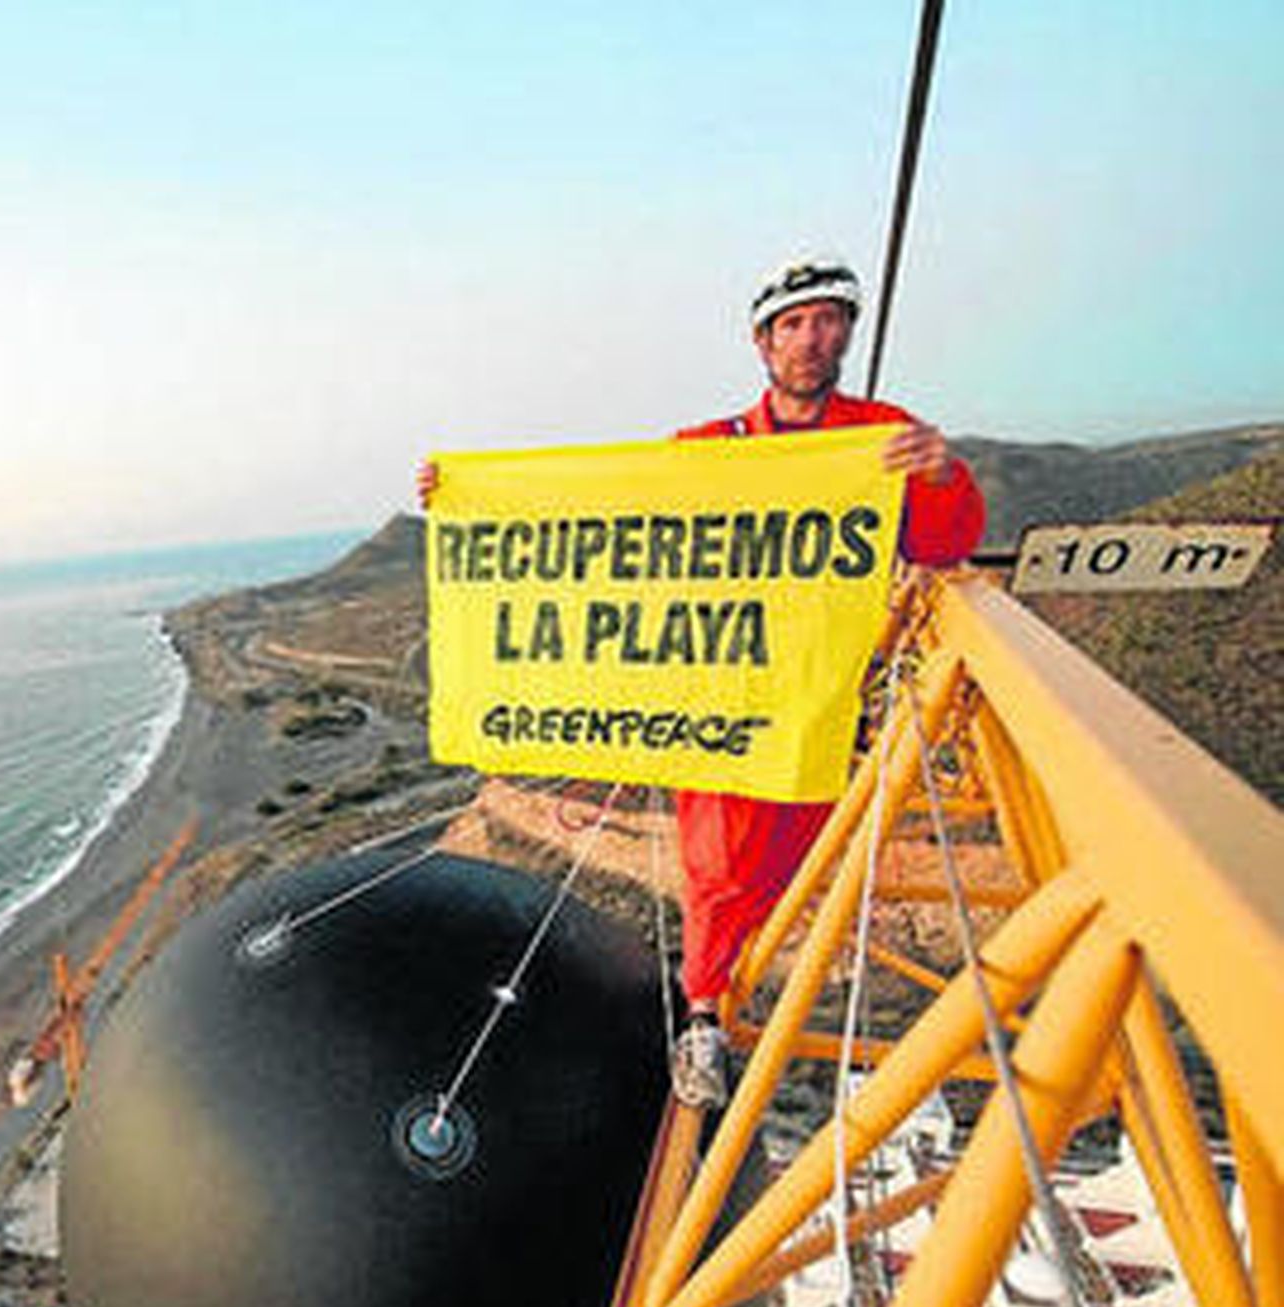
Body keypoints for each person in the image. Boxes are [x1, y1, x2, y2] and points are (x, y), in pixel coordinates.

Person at [417, 255, 985, 1108]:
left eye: (828, 320)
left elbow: (939, 547)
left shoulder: (881, 436)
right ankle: (706, 1017)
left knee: (803, 854)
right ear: (764, 344)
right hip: (721, 691)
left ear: (846, 333)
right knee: (718, 864)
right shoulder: (707, 451)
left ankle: (772, 993)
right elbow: (609, 518)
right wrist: (465, 501)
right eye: (792, 324)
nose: (811, 338)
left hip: (821, 688)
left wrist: (942, 475)